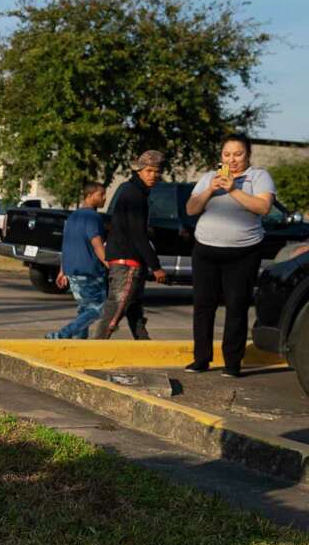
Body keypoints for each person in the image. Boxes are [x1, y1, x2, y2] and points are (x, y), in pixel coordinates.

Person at [184, 133, 276, 377]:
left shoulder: (259, 176)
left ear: (248, 155)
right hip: (205, 250)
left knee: (236, 306)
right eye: (227, 154)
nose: (232, 159)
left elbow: (263, 207)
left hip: (243, 253)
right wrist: (209, 190)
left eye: (238, 154)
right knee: (203, 306)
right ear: (221, 156)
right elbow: (191, 209)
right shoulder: (208, 178)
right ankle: (201, 359)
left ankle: (232, 363)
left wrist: (233, 189)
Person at [92, 150, 168, 339]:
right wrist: (156, 266)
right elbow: (137, 233)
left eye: (157, 171)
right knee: (116, 308)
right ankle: (96, 346)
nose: (153, 175)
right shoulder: (134, 194)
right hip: (127, 261)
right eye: (149, 170)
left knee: (133, 307)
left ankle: (144, 344)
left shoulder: (133, 190)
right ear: (139, 171)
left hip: (126, 258)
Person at [47, 182, 108, 339]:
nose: (104, 198)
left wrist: (62, 270)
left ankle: (79, 343)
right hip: (89, 271)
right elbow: (97, 244)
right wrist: (110, 264)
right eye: (100, 194)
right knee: (98, 309)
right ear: (89, 196)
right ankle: (62, 334)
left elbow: (66, 245)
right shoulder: (93, 217)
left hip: (72, 270)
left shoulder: (72, 217)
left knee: (84, 309)